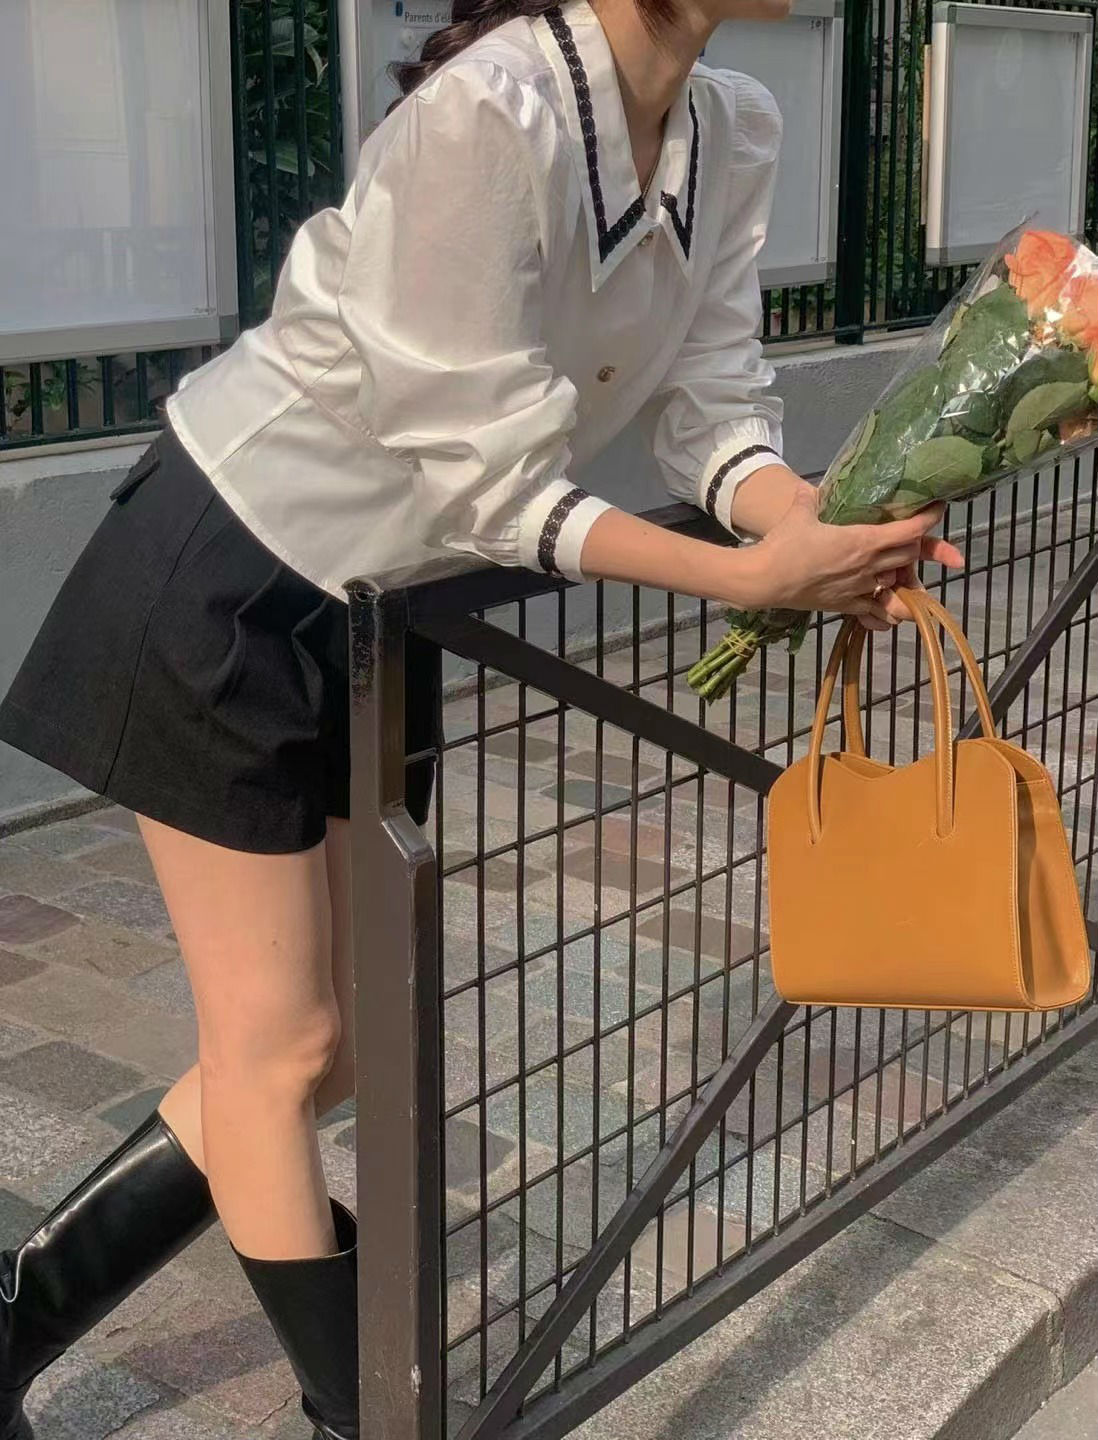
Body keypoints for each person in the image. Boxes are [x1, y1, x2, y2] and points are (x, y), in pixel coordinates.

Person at [0, 0, 963, 1435]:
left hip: (374, 606)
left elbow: (712, 412)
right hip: (225, 574)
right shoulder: (488, 116)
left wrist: (819, 526)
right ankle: (365, 1418)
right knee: (280, 1047)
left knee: (324, 1053)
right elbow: (486, 487)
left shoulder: (732, 125)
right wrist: (747, 576)